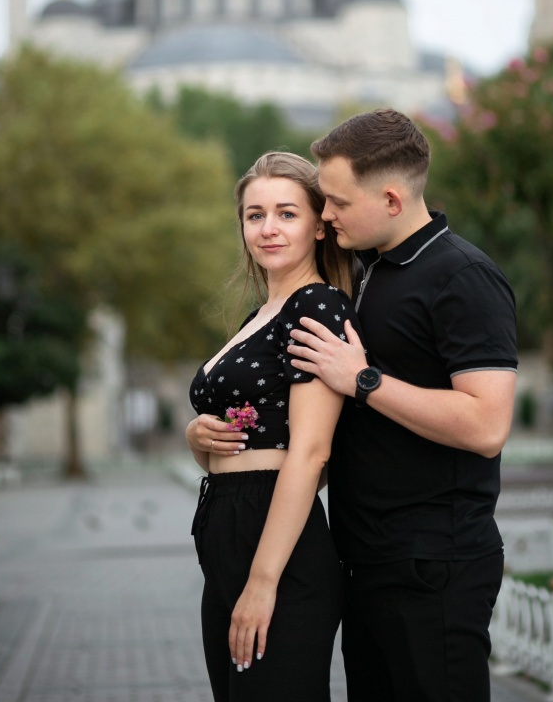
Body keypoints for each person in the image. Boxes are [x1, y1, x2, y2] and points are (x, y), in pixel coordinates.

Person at [288, 108, 518, 702]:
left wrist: (363, 379)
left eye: (337, 201)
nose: (325, 213)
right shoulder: (364, 270)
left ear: (392, 199)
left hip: (433, 566)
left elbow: (487, 425)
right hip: (365, 561)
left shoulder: (463, 276)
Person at [186, 151, 362, 702]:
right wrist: (196, 438)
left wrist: (263, 583)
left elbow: (310, 454)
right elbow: (241, 442)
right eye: (255, 215)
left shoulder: (318, 306)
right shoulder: (261, 313)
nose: (268, 228)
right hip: (227, 529)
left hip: (276, 543)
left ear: (318, 226)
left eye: (287, 213)